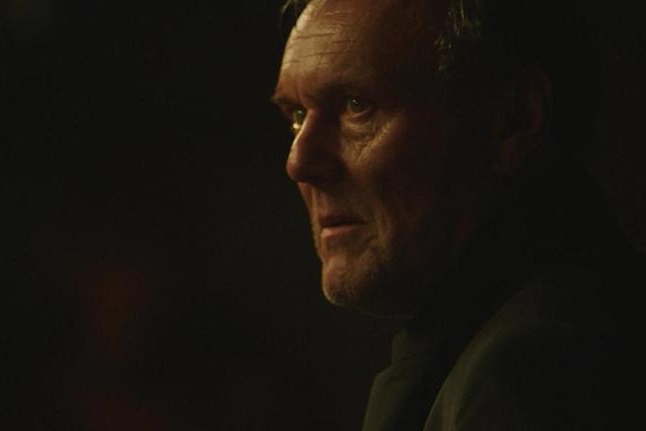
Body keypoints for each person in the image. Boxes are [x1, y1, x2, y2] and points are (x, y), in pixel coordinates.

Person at [271, 0, 642, 429]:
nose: (299, 163)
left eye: (357, 105)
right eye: (298, 115)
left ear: (514, 119)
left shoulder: (536, 371)